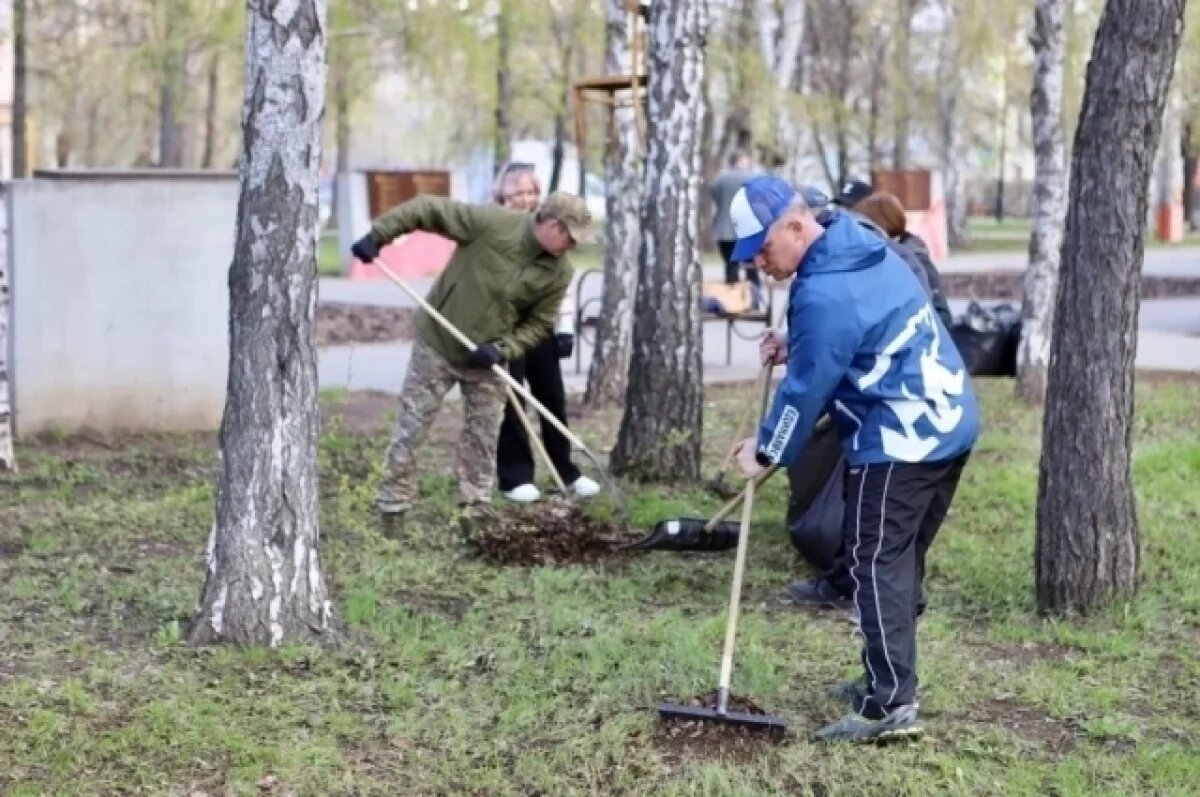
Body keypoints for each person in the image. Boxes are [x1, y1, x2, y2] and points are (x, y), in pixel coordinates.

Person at [729, 175, 979, 743]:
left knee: (873, 563)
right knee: (899, 559)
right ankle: (886, 675)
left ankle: (889, 702)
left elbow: (806, 390)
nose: (759, 266)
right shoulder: (858, 243)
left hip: (902, 437)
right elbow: (864, 327)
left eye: (763, 250)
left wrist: (766, 450)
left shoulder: (821, 293)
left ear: (796, 226)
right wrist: (798, 343)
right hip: (949, 421)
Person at [349, 190, 591, 538]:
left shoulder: (559, 271)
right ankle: (392, 511)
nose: (572, 247)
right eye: (570, 237)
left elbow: (540, 324)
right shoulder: (493, 224)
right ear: (552, 224)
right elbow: (426, 207)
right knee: (411, 431)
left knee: (483, 439)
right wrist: (379, 235)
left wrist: (504, 348)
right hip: (438, 345)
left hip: (487, 361)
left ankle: (474, 516)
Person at [489, 162, 599, 502]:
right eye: (518, 192)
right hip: (504, 329)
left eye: (531, 192)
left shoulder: (551, 230)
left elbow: (561, 284)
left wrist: (564, 328)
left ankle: (565, 470)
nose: (525, 199)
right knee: (511, 401)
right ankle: (515, 476)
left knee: (551, 396)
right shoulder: (495, 231)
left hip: (541, 327)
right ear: (502, 195)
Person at [833, 181, 952, 327]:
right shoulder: (855, 254)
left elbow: (941, 316)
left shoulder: (912, 259)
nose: (845, 220)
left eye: (851, 211)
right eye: (840, 211)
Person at [709, 151, 761, 288]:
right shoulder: (752, 178)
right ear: (741, 160)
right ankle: (753, 299)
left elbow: (715, 197)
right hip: (747, 230)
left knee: (731, 266)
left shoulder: (719, 180)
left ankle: (733, 300)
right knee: (751, 267)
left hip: (724, 230)